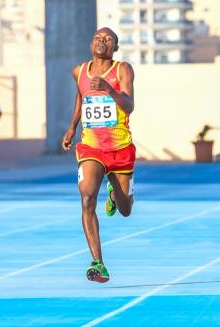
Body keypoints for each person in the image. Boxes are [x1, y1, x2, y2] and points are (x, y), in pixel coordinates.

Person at [62, 27, 136, 283]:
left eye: (108, 39)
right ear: (91, 43)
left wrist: (109, 90)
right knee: (86, 198)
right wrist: (72, 127)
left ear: (115, 47)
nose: (102, 41)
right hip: (91, 147)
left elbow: (130, 106)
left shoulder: (122, 70)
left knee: (126, 209)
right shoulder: (79, 71)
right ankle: (98, 262)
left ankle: (115, 195)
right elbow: (81, 98)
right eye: (97, 37)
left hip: (119, 148)